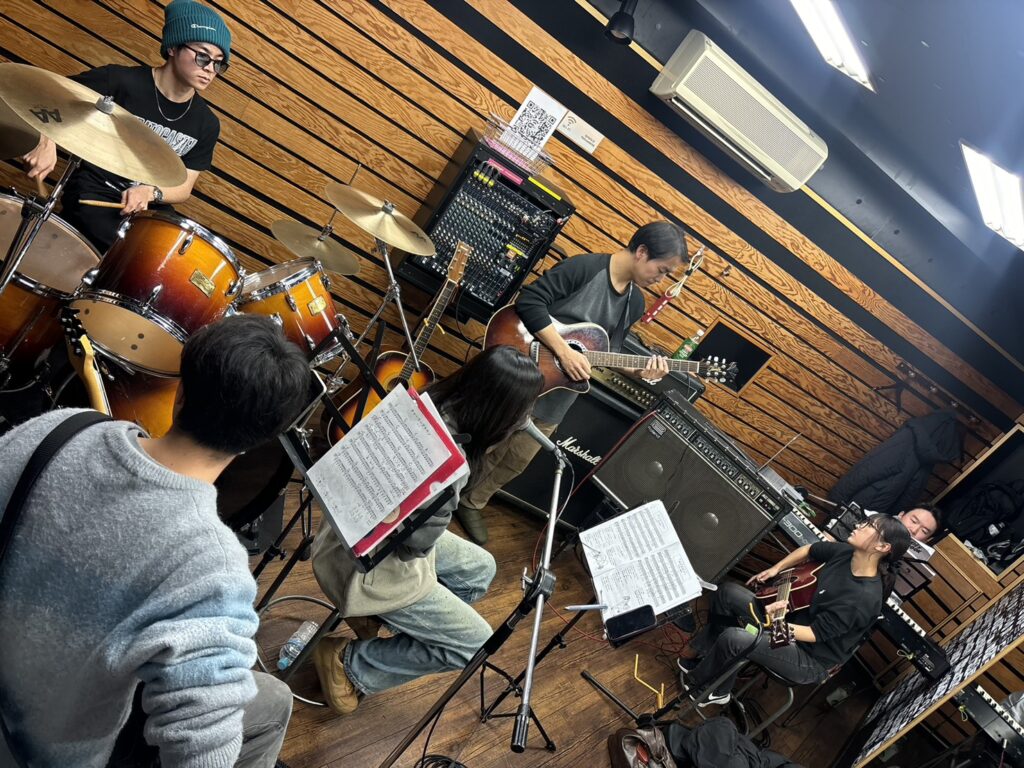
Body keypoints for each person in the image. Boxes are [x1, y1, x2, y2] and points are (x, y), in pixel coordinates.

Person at [0, 315, 310, 767]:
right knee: (275, 700)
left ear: (180, 392)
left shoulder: (59, 428)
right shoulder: (212, 567)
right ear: (258, 442)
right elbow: (203, 755)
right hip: (39, 753)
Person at [310, 345, 544, 715]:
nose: (526, 419)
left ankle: (379, 620)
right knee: (475, 643)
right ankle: (350, 662)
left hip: (344, 529)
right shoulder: (449, 464)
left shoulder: (423, 402)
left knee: (480, 568)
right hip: (364, 562)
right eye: (523, 410)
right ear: (501, 412)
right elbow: (414, 548)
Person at [454, 220, 688, 544]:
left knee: (515, 460)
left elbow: (608, 353)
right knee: (481, 441)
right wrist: (563, 351)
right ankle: (440, 493)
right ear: (642, 252)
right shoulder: (585, 268)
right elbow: (530, 301)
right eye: (661, 270)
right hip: (518, 375)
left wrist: (641, 372)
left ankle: (472, 502)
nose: (661, 280)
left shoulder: (634, 303)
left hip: (557, 398)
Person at [22, 0, 229, 253]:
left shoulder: (206, 123)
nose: (210, 69)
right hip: (94, 196)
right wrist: (45, 139)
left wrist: (152, 193)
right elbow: (46, 94)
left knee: (176, 256)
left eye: (219, 63)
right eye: (203, 56)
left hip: (146, 210)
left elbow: (184, 186)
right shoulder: (119, 81)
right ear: (173, 47)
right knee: (126, 253)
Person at [677, 515, 912, 706]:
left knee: (736, 638)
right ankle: (704, 655)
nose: (859, 525)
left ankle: (710, 689)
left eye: (869, 525)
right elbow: (810, 550)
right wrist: (775, 568)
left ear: (883, 547)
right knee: (727, 593)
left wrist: (776, 623)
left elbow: (815, 634)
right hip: (789, 625)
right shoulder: (847, 554)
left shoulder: (862, 598)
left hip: (809, 657)